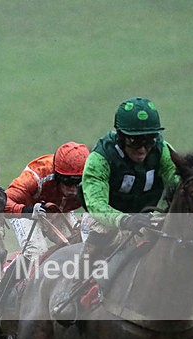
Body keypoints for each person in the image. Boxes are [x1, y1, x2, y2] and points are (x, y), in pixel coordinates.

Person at [57, 96, 180, 309]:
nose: (143, 149)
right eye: (135, 141)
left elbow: (176, 181)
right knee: (102, 232)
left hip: (146, 217)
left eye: (149, 140)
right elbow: (97, 205)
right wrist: (124, 220)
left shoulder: (162, 150)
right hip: (105, 219)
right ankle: (74, 292)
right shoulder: (100, 158)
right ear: (121, 136)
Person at [0, 142, 90, 325]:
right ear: (56, 176)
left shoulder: (92, 177)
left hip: (58, 210)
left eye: (78, 182)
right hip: (26, 210)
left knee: (78, 247)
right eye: (68, 182)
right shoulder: (37, 175)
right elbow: (4, 203)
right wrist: (28, 210)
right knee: (36, 251)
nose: (73, 189)